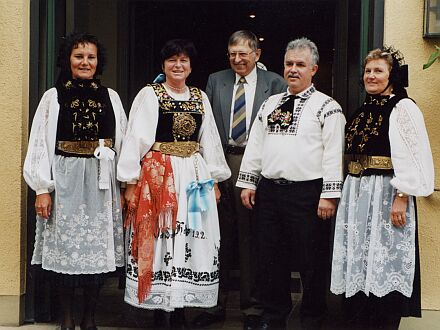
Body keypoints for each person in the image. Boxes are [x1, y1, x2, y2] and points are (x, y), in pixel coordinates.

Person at [117, 39, 231, 328]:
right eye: (172, 60)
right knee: (162, 234)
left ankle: (181, 308)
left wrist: (215, 179)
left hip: (194, 175)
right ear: (163, 65)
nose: (177, 65)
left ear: (191, 66)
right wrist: (130, 181)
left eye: (183, 61)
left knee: (193, 233)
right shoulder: (150, 94)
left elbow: (210, 139)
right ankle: (161, 309)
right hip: (160, 174)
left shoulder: (199, 96)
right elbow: (135, 138)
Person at [237, 37, 346, 329]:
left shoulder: (328, 107)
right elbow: (256, 145)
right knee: (270, 256)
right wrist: (248, 182)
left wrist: (329, 195)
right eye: (289, 64)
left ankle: (312, 315)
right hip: (270, 191)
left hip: (308, 193)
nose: (293, 69)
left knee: (311, 257)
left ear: (314, 69)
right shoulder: (270, 104)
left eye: (300, 64)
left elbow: (334, 153)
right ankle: (274, 315)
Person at [23, 33, 127, 330]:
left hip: (100, 180)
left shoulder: (111, 97)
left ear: (98, 62)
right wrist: (42, 188)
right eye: (79, 56)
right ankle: (67, 320)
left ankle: (89, 319)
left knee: (97, 255)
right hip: (65, 180)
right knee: (66, 253)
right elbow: (40, 144)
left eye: (91, 57)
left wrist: (123, 185)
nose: (85, 62)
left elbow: (123, 141)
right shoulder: (53, 97)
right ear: (68, 60)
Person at [330, 47, 434, 329]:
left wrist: (402, 196)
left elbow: (414, 154)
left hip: (386, 195)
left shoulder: (403, 107)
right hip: (358, 194)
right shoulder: (362, 110)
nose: (371, 76)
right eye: (368, 71)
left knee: (384, 260)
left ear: (392, 76)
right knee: (361, 260)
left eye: (378, 71)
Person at [192, 30, 286, 330]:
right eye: (232, 53)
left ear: (256, 54)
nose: (237, 59)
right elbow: (207, 128)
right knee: (216, 234)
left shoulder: (275, 83)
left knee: (250, 237)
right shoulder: (215, 80)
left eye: (243, 53)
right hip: (221, 161)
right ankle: (213, 303)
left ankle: (252, 308)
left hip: (256, 164)